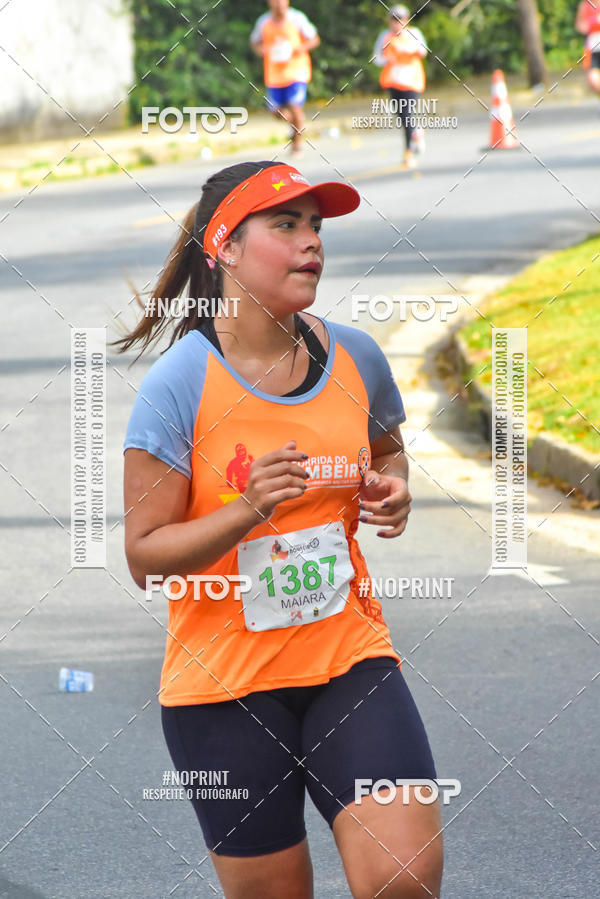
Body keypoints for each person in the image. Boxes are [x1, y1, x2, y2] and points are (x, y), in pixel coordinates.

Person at [120, 160, 443, 898]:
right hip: (223, 688)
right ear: (226, 247)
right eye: (286, 224)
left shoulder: (356, 356)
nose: (312, 241)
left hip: (348, 658)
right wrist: (246, 509)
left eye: (316, 226)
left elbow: (386, 451)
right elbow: (144, 557)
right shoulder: (180, 384)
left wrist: (394, 490)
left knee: (403, 878)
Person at [250, 0, 320, 157]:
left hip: (296, 71)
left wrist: (298, 49)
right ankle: (294, 124)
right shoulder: (263, 22)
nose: (279, 4)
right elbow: (255, 43)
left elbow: (314, 39)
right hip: (274, 76)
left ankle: (297, 145)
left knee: (295, 107)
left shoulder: (297, 18)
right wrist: (262, 50)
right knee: (276, 112)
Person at [374, 4, 428, 169]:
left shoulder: (414, 33)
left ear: (406, 20)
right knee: (402, 116)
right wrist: (387, 59)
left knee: (406, 114)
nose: (397, 23)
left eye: (400, 20)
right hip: (393, 81)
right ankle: (415, 131)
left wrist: (410, 49)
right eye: (394, 20)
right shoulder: (385, 36)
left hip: (412, 81)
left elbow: (423, 51)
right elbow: (377, 58)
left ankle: (408, 153)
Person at [576, 0, 600, 97]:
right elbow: (580, 25)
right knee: (593, 81)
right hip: (592, 46)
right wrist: (592, 23)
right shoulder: (584, 5)